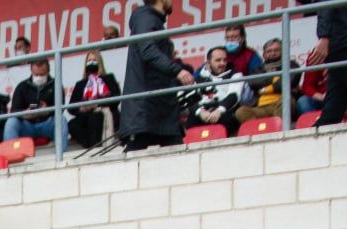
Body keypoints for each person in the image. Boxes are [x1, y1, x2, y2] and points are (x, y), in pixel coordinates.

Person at [121, 0, 192, 151]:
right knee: (133, 158)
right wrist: (177, 70)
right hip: (145, 109)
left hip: (159, 109)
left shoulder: (149, 19)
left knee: (178, 155)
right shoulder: (145, 18)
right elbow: (147, 50)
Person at [185, 46, 247, 129]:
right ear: (208, 62)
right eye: (218, 60)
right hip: (204, 111)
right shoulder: (199, 78)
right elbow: (190, 99)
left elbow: (234, 96)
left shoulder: (236, 75)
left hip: (225, 111)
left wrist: (219, 111)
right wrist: (200, 112)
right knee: (191, 122)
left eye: (225, 60)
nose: (222, 63)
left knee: (228, 119)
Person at [67, 57, 121, 148]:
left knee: (95, 118)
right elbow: (71, 108)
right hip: (85, 116)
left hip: (105, 112)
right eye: (89, 61)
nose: (91, 63)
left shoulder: (108, 78)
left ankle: (95, 148)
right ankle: (91, 147)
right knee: (72, 124)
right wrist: (82, 107)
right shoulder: (80, 84)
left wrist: (97, 104)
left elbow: (116, 98)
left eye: (94, 60)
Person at [6, 57, 59, 144]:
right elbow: (14, 111)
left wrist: (48, 110)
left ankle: (62, 154)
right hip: (27, 125)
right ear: (31, 71)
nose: (39, 77)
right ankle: (11, 155)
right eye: (36, 75)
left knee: (61, 120)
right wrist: (25, 113)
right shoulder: (22, 86)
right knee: (11, 122)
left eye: (42, 75)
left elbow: (62, 107)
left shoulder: (55, 84)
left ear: (48, 72)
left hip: (47, 123)